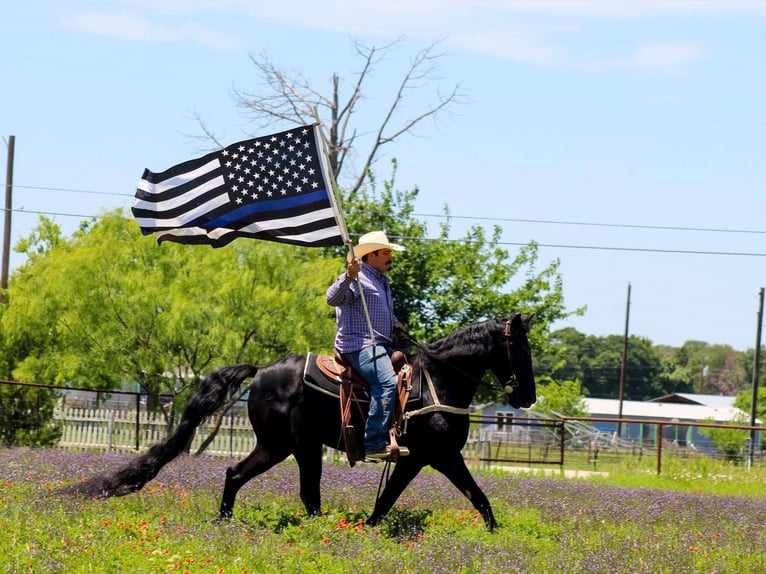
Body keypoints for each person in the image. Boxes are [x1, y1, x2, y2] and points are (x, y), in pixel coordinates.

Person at [326, 231, 410, 460]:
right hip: (358, 345)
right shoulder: (358, 278)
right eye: (386, 253)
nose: (390, 257)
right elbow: (331, 299)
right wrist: (347, 276)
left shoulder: (382, 281)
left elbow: (375, 313)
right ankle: (373, 443)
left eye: (390, 252)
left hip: (381, 344)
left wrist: (394, 323)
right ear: (371, 256)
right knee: (385, 383)